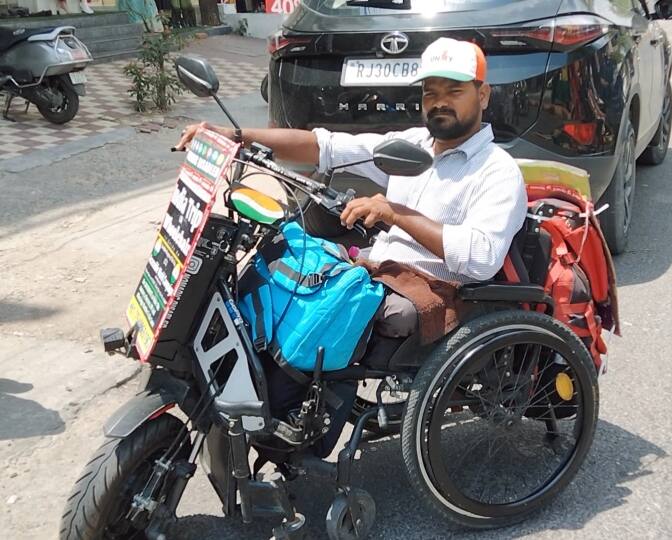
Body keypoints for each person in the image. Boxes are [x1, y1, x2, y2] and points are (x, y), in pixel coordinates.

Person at [176, 37, 527, 344]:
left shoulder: (497, 171)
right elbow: (325, 147)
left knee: (327, 309)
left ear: (482, 95)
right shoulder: (413, 145)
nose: (439, 102)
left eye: (454, 91)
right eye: (430, 92)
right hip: (378, 271)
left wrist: (395, 213)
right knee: (279, 257)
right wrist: (238, 137)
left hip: (432, 290)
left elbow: (481, 258)